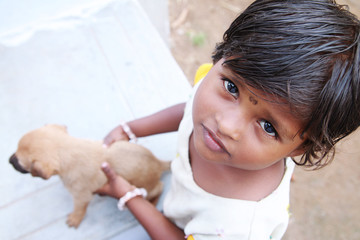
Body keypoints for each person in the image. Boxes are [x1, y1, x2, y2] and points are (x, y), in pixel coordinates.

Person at [97, 0, 360, 239]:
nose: (226, 125)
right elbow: (189, 108)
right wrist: (130, 129)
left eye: (268, 127)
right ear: (222, 56)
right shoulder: (216, 99)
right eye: (232, 88)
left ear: (301, 148)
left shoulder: (236, 226)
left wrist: (128, 194)